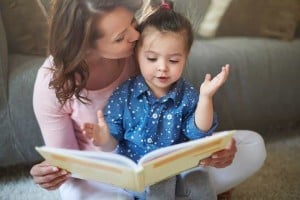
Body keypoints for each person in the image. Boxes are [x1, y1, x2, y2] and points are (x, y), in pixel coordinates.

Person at [30, 0, 266, 199]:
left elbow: (185, 117)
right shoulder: (53, 82)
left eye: (132, 22)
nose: (136, 36)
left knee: (251, 145)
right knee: (78, 191)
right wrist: (50, 172)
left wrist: (217, 150)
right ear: (84, 43)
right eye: (121, 36)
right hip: (105, 175)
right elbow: (67, 163)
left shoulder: (143, 51)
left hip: (169, 160)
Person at [82, 2, 229, 199]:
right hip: (138, 176)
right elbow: (112, 142)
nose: (162, 68)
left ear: (186, 57)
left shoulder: (187, 95)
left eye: (174, 61)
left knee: (200, 179)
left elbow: (198, 133)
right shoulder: (124, 95)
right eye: (152, 58)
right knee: (157, 183)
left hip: (180, 170)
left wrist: (205, 98)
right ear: (137, 54)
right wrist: (103, 139)